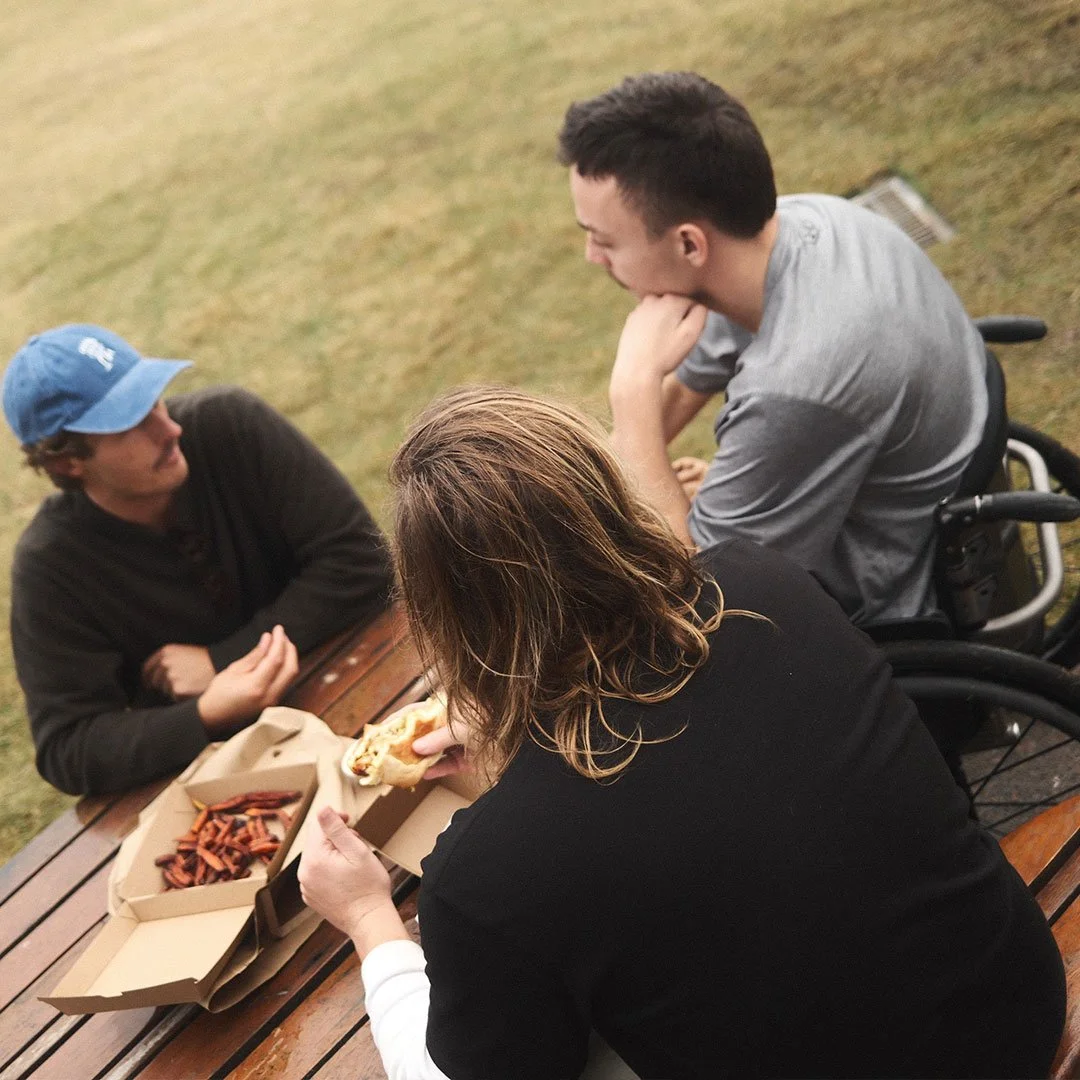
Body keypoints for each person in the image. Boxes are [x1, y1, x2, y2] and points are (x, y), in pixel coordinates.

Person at [298, 386, 1065, 1079]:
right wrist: (514, 738)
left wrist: (370, 920)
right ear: (602, 497)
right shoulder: (764, 585)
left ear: (448, 619)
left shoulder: (484, 874)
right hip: (1013, 1008)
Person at [559, 72, 989, 626]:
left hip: (877, 610)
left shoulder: (800, 381)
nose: (593, 257)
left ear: (690, 243)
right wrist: (612, 488)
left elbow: (708, 595)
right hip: (925, 511)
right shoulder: (807, 223)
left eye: (604, 239)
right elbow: (684, 388)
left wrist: (633, 390)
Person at [3, 323, 392, 795]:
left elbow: (360, 559)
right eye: (132, 422)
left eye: (155, 401)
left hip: (370, 679)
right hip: (237, 783)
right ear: (67, 462)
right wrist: (205, 713)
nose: (170, 430)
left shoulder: (231, 424)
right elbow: (69, 748)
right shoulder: (50, 567)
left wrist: (221, 660)